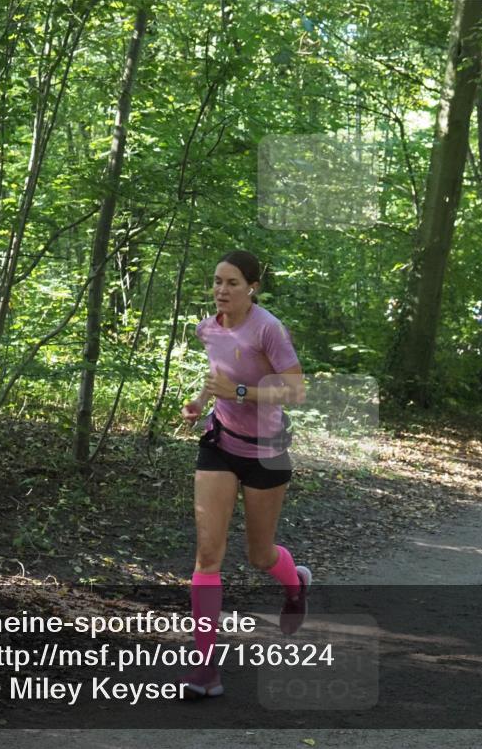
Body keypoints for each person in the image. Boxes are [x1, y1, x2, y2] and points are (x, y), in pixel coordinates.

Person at [178, 250, 310, 698]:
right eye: (217, 281)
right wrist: (200, 403)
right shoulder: (208, 327)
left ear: (252, 286)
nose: (221, 290)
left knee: (259, 556)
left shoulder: (268, 329)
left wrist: (238, 391)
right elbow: (218, 374)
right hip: (221, 446)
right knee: (207, 555)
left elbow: (295, 390)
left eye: (232, 282)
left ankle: (295, 586)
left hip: (267, 453)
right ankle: (205, 668)